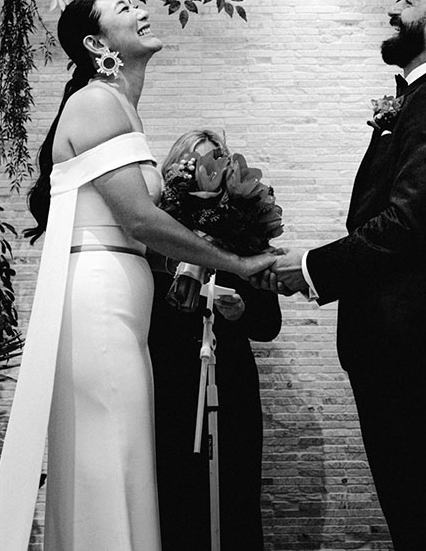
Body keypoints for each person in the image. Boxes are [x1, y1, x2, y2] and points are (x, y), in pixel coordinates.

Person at [0, 0, 275, 551]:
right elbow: (139, 219)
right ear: (96, 44)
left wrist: (200, 269)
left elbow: (139, 228)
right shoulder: (96, 102)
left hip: (119, 296)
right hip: (99, 301)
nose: (140, 7)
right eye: (122, 5)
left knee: (121, 452)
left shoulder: (118, 105)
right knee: (110, 452)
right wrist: (237, 263)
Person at [260, 0, 426, 549]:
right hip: (397, 336)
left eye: (409, 1)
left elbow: (407, 226)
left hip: (405, 338)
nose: (395, 9)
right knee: (413, 503)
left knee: (419, 507)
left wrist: (312, 268)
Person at [148, 130, 282, 551]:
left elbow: (268, 324)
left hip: (232, 379)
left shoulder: (244, 237)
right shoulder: (157, 237)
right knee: (176, 488)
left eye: (217, 165)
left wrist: (242, 312)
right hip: (173, 379)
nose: (208, 176)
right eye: (197, 165)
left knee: (236, 488)